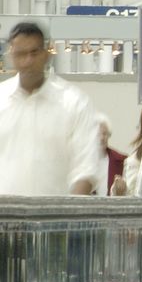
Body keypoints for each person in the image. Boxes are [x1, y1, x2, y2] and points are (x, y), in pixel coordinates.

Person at [0, 22, 100, 195]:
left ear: (46, 54)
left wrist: (67, 217)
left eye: (34, 53)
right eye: (20, 54)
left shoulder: (74, 103)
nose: (28, 61)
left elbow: (86, 169)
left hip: (55, 218)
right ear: (11, 56)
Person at [96, 116, 126, 196]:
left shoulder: (121, 160)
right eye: (98, 134)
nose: (102, 138)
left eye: (105, 134)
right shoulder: (82, 161)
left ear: (109, 135)